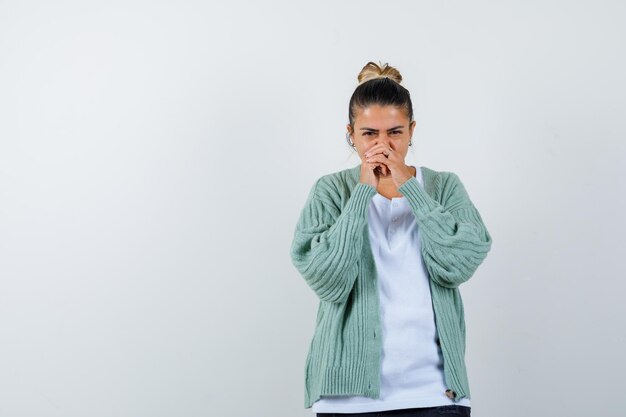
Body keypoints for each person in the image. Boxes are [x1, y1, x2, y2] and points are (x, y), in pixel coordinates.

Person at [289, 61, 493, 417]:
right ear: (351, 134)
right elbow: (328, 280)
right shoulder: (330, 190)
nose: (382, 145)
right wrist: (362, 195)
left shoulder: (444, 187)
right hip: (346, 397)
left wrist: (410, 188)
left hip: (435, 395)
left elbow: (458, 263)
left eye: (394, 132)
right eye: (370, 134)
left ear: (411, 131)